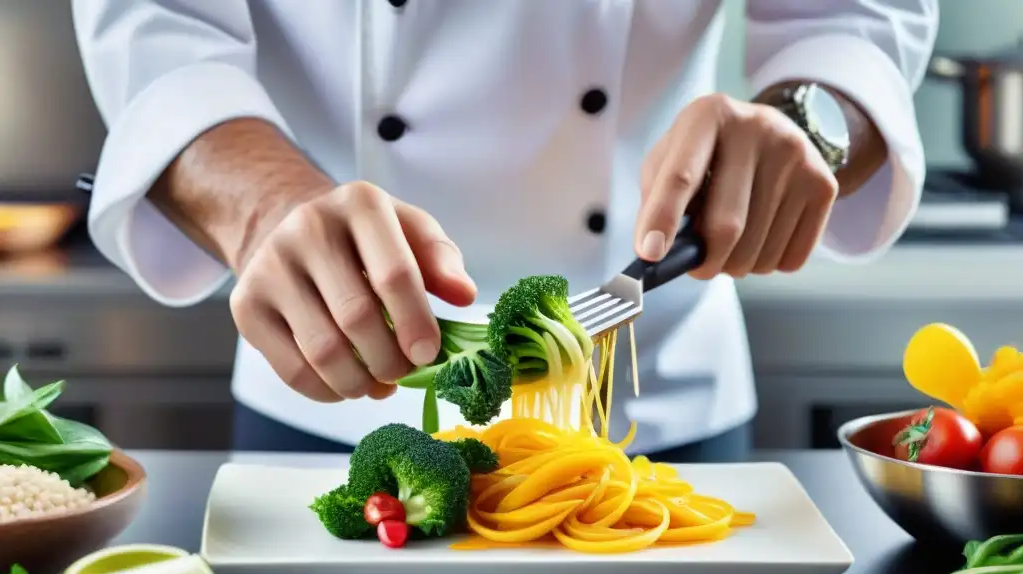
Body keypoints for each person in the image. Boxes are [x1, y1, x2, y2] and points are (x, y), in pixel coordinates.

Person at [71, 0, 937, 461]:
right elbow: (160, 31)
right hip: (326, 391)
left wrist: (808, 123)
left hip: (660, 402)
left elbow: (854, 20)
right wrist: (266, 209)